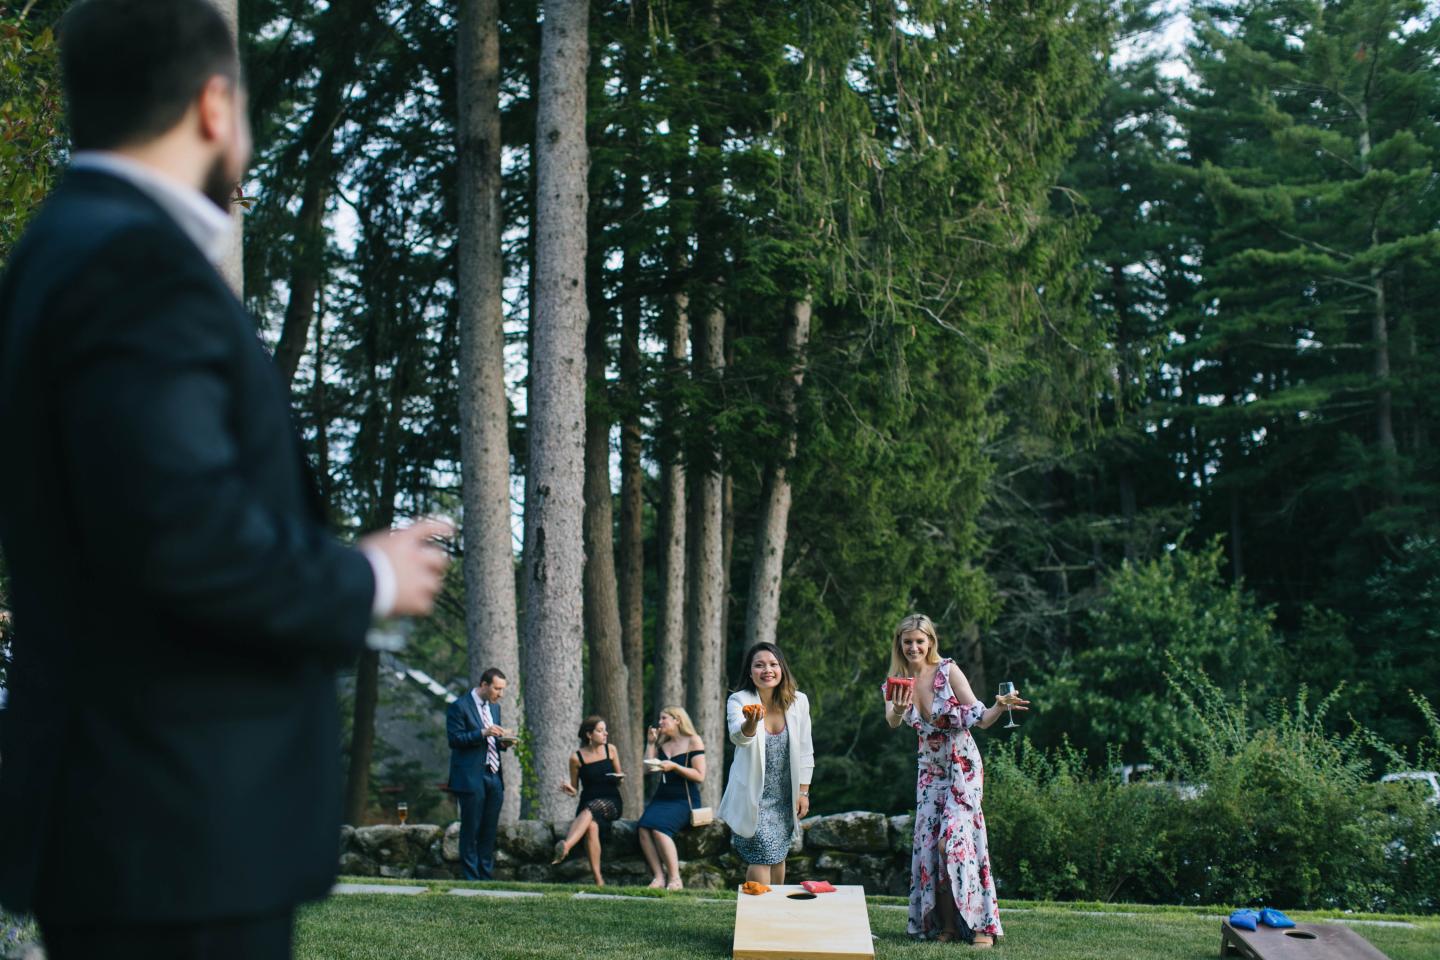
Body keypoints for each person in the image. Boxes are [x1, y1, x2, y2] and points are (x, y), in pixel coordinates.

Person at [0, 2, 452, 957]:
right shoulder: (134, 268)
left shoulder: (58, 251)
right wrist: (365, 578)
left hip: (134, 818)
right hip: (174, 828)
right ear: (214, 104)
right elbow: (181, 535)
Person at [883, 613, 1029, 947]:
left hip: (962, 768)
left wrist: (998, 705)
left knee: (954, 842)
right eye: (907, 642)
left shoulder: (947, 671)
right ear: (900, 644)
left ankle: (981, 926)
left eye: (920, 641)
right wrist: (899, 709)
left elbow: (980, 719)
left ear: (930, 642)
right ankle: (947, 926)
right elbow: (891, 721)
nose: (914, 647)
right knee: (932, 850)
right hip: (929, 772)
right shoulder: (896, 681)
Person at [718, 641, 815, 885]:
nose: (767, 670)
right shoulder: (739, 700)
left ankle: (774, 915)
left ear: (782, 669)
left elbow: (805, 749)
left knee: (778, 856)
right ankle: (756, 915)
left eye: (773, 664)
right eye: (759, 665)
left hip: (784, 796)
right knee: (762, 855)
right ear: (750, 673)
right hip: (753, 796)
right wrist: (751, 722)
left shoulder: (798, 701)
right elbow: (738, 737)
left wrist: (803, 792)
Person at [446, 668, 513, 881]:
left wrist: (504, 742)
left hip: (494, 776)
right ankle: (471, 877)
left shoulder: (495, 709)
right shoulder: (459, 707)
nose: (500, 694)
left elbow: (493, 743)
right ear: (484, 685)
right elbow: (455, 740)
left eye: (502, 689)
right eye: (497, 689)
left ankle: (486, 876)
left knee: (489, 829)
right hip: (470, 777)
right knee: (471, 828)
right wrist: (483, 732)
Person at [636, 705, 706, 890]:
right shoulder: (662, 743)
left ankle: (675, 879)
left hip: (684, 799)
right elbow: (646, 769)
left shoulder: (693, 740)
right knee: (643, 828)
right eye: (660, 719)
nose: (660, 723)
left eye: (664, 718)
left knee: (660, 828)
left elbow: (700, 775)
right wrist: (650, 743)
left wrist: (675, 767)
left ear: (677, 720)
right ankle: (658, 877)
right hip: (662, 797)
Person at [552, 715, 624, 885]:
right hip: (588, 802)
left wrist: (620, 778)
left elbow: (619, 779)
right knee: (591, 826)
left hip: (611, 801)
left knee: (591, 809)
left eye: (605, 730)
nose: (605, 734)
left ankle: (566, 846)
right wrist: (570, 789)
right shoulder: (576, 758)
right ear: (589, 735)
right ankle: (599, 881)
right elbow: (575, 789)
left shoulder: (611, 750)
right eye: (600, 731)